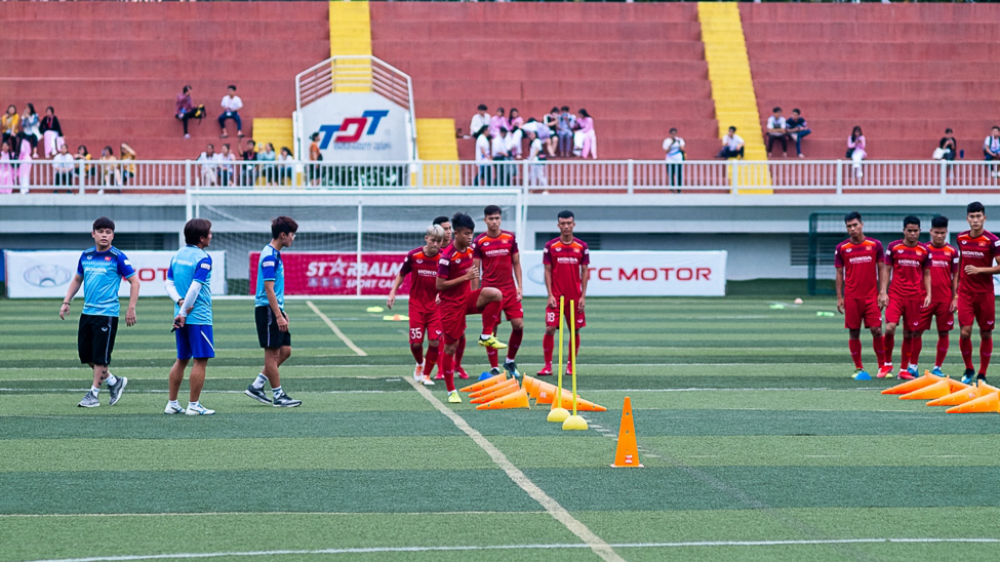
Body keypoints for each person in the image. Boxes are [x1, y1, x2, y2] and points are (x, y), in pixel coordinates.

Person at [58, 217, 139, 408]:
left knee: (100, 357)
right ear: (93, 234)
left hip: (107, 314)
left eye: (108, 232)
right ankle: (113, 381)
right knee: (86, 356)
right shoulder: (86, 255)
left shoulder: (118, 256)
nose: (104, 235)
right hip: (87, 313)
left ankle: (93, 394)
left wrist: (131, 307)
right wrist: (66, 301)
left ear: (113, 236)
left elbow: (135, 282)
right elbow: (77, 279)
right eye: (100, 231)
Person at [436, 212, 507, 403]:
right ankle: (451, 391)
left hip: (466, 298)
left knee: (495, 294)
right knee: (450, 347)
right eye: (466, 234)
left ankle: (486, 335)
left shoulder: (470, 250)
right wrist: (465, 278)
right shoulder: (447, 257)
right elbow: (439, 285)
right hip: (451, 306)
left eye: (472, 233)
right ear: (457, 234)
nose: (470, 237)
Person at [246, 216, 302, 407]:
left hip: (275, 309)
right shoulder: (269, 256)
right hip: (267, 311)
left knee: (285, 351)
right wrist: (278, 315)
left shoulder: (275, 254)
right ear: (282, 235)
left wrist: (282, 311)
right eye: (292, 234)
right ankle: (278, 396)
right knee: (271, 355)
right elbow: (268, 289)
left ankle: (257, 385)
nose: (293, 238)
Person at [164, 218, 216, 415]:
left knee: (181, 359)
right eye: (209, 233)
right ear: (201, 238)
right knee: (200, 360)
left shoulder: (177, 255)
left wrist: (179, 303)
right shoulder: (203, 258)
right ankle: (193, 405)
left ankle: (172, 403)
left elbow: (168, 283)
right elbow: (195, 287)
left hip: (180, 315)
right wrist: (185, 312)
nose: (211, 236)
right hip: (198, 317)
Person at [387, 224, 446, 386]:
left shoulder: (445, 258)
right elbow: (401, 274)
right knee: (416, 343)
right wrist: (392, 292)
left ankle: (426, 374)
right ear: (426, 238)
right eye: (433, 240)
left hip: (435, 307)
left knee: (435, 342)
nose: (435, 244)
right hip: (416, 306)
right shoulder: (414, 255)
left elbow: (450, 280)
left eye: (439, 241)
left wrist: (442, 293)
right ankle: (420, 363)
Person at [473, 205, 524, 379]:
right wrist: (474, 293)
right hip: (490, 291)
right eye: (491, 218)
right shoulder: (479, 241)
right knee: (491, 330)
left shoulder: (510, 237)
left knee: (518, 325)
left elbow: (516, 262)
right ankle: (494, 367)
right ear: (485, 220)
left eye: (497, 218)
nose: (494, 222)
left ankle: (510, 360)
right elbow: (475, 269)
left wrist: (519, 286)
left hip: (509, 289)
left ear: (500, 219)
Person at [835, 212, 886, 381]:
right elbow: (839, 273)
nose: (852, 229)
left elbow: (882, 268)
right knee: (854, 332)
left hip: (871, 296)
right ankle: (859, 368)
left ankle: (882, 366)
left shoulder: (875, 245)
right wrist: (839, 297)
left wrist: (882, 291)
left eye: (855, 225)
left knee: (876, 330)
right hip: (851, 297)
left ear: (862, 225)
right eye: (849, 226)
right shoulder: (842, 248)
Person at [538, 210, 589, 376]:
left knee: (575, 330)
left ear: (574, 224)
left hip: (574, 297)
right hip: (556, 296)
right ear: (558, 225)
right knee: (550, 329)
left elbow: (585, 271)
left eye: (569, 223)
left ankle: (570, 365)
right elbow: (547, 271)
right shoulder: (550, 246)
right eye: (563, 223)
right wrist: (550, 294)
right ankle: (547, 366)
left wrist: (583, 296)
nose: (566, 226)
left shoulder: (582, 246)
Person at [879, 216, 931, 380]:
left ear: (920, 231)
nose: (913, 234)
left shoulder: (924, 250)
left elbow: (927, 274)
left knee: (909, 333)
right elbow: (887, 269)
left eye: (916, 231)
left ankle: (903, 369)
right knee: (890, 328)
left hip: (915, 297)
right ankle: (887, 364)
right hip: (896, 294)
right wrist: (883, 291)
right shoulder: (894, 247)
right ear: (904, 231)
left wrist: (929, 294)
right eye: (909, 230)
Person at [955, 202, 1000, 385]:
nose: (975, 220)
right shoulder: (961, 238)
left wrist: (980, 270)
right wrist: (957, 288)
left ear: (984, 218)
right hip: (965, 293)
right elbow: (962, 261)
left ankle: (982, 373)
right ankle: (969, 368)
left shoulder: (992, 241)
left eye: (978, 216)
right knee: (965, 333)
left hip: (985, 293)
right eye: (972, 216)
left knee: (986, 333)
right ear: (967, 218)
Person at [916, 216, 959, 377]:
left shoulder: (952, 252)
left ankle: (937, 368)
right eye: (936, 233)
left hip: (945, 299)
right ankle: (912, 366)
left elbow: (956, 276)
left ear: (946, 232)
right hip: (924, 298)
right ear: (930, 232)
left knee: (944, 333)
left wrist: (956, 297)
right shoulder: (922, 250)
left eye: (942, 233)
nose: (939, 236)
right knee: (916, 332)